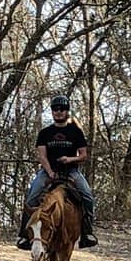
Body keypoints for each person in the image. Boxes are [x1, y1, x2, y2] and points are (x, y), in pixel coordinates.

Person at [17, 94, 98, 250]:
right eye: (55, 109)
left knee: (87, 195)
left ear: (67, 111)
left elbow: (83, 155)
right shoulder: (45, 133)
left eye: (62, 109)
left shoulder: (76, 132)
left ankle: (87, 233)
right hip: (48, 171)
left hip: (71, 171)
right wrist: (50, 172)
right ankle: (24, 235)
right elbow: (42, 156)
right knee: (32, 196)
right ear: (52, 111)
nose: (59, 112)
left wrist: (70, 159)